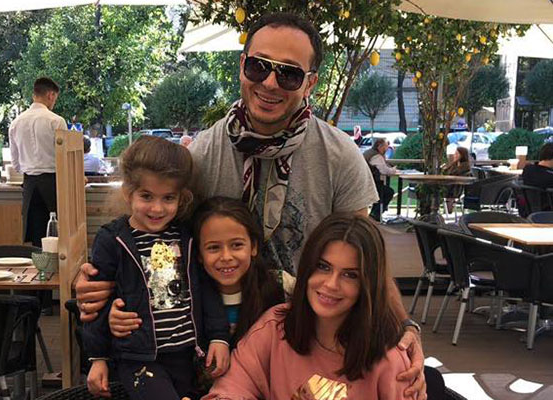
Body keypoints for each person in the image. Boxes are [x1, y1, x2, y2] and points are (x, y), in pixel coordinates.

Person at [76, 12, 426, 398]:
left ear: (310, 83)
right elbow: (152, 239)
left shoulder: (340, 157)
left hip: (304, 343)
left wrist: (405, 327)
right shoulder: (203, 155)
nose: (270, 83)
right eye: (259, 66)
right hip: (214, 344)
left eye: (289, 74)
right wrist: (106, 290)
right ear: (242, 65)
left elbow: (366, 258)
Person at [203, 213, 412, 400]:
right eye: (323, 267)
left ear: (369, 284)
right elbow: (232, 387)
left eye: (350, 275)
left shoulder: (390, 358)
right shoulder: (274, 327)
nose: (331, 284)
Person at [83, 136, 230, 399]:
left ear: (181, 198)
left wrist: (219, 337)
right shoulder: (112, 239)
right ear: (128, 192)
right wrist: (98, 357)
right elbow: (96, 304)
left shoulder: (187, 236)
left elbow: (207, 289)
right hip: (139, 359)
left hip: (189, 357)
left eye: (168, 198)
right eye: (146, 196)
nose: (157, 208)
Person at [109, 196, 289, 347]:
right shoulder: (183, 295)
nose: (226, 256)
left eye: (236, 245)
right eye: (213, 248)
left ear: (254, 246)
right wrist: (116, 318)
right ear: (199, 254)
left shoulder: (283, 286)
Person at [9, 77, 67, 247]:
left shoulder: (15, 123)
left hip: (29, 184)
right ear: (50, 95)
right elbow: (65, 158)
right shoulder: (56, 121)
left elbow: (16, 163)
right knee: (59, 237)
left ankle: (38, 264)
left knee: (37, 240)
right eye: (55, 98)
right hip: (54, 183)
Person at [363, 138, 397, 221]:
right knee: (388, 192)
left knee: (382, 192)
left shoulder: (369, 153)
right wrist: (394, 170)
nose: (387, 149)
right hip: (370, 184)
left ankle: (374, 214)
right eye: (385, 147)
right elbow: (384, 170)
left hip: (365, 182)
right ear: (380, 146)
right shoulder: (376, 156)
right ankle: (376, 214)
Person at [442, 147, 472, 213]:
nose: (455, 155)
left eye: (457, 154)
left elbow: (454, 176)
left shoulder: (465, 167)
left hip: (455, 189)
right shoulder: (453, 165)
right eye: (455, 153)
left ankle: (448, 210)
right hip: (449, 186)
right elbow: (446, 173)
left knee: (436, 190)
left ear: (462, 155)